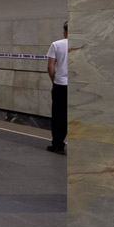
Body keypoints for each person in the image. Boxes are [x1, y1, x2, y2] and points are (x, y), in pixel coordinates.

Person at [46, 22, 68, 154]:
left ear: (64, 31)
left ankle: (58, 144)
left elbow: (50, 67)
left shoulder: (56, 44)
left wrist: (54, 80)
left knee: (59, 115)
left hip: (61, 84)